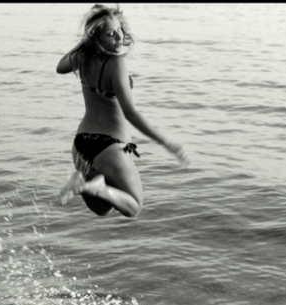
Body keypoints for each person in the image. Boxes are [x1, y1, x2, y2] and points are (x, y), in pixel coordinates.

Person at [57, 3, 188, 218]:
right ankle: (93, 186)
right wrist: (166, 142)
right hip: (108, 145)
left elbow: (60, 66)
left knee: (103, 207)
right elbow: (130, 113)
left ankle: (84, 182)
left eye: (119, 30)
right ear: (96, 38)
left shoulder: (83, 57)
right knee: (133, 206)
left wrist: (85, 44)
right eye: (110, 34)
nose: (118, 38)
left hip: (81, 144)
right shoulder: (115, 63)